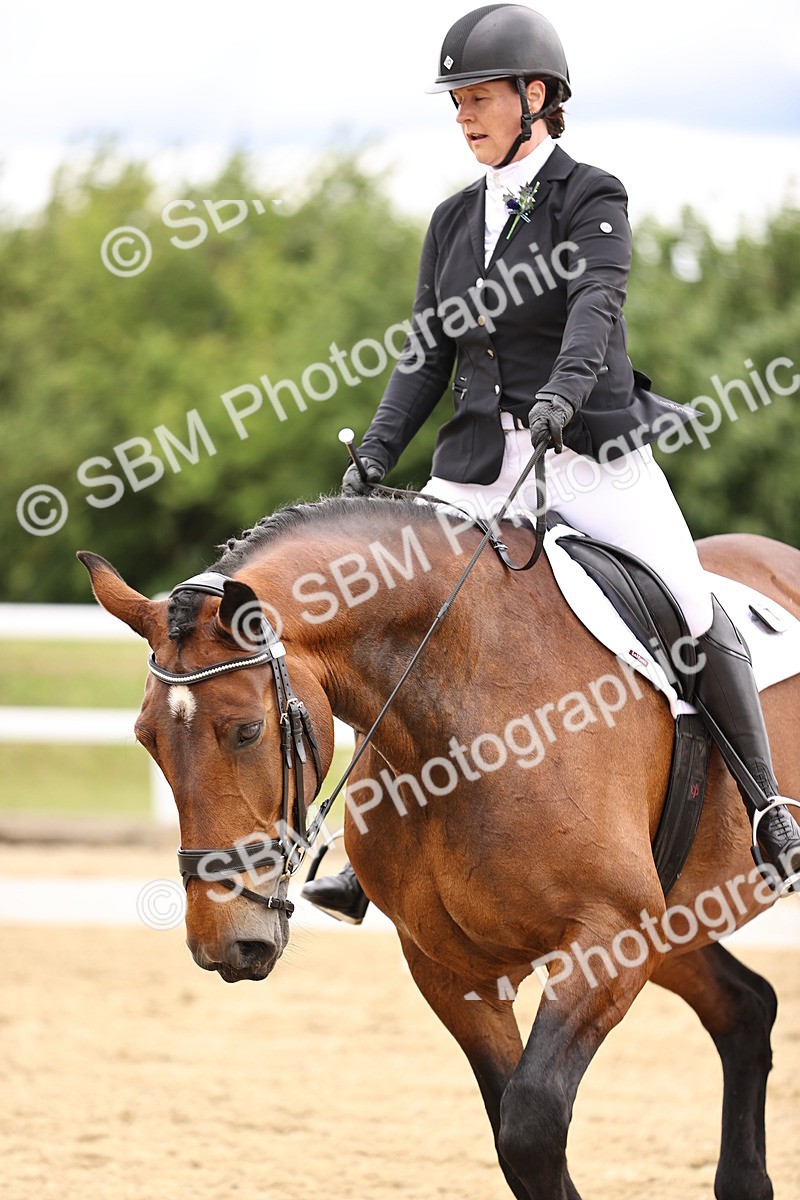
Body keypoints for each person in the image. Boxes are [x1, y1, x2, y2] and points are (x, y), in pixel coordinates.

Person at [302, 3, 800, 922]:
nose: (464, 118)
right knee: (399, 620)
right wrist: (376, 451)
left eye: (479, 99)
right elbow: (428, 350)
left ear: (536, 98)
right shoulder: (453, 220)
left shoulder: (591, 194)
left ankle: (770, 806)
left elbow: (595, 309)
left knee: (690, 604)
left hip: (589, 454)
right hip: (480, 462)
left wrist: (565, 398)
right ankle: (359, 847)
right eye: (456, 104)